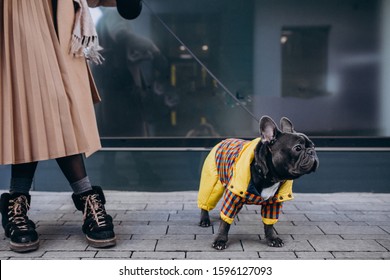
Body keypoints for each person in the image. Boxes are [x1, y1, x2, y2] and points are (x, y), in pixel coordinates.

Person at [0, 0, 118, 253]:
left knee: (52, 105)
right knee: (29, 103)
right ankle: (85, 196)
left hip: (58, 14)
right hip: (16, 12)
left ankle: (17, 203)